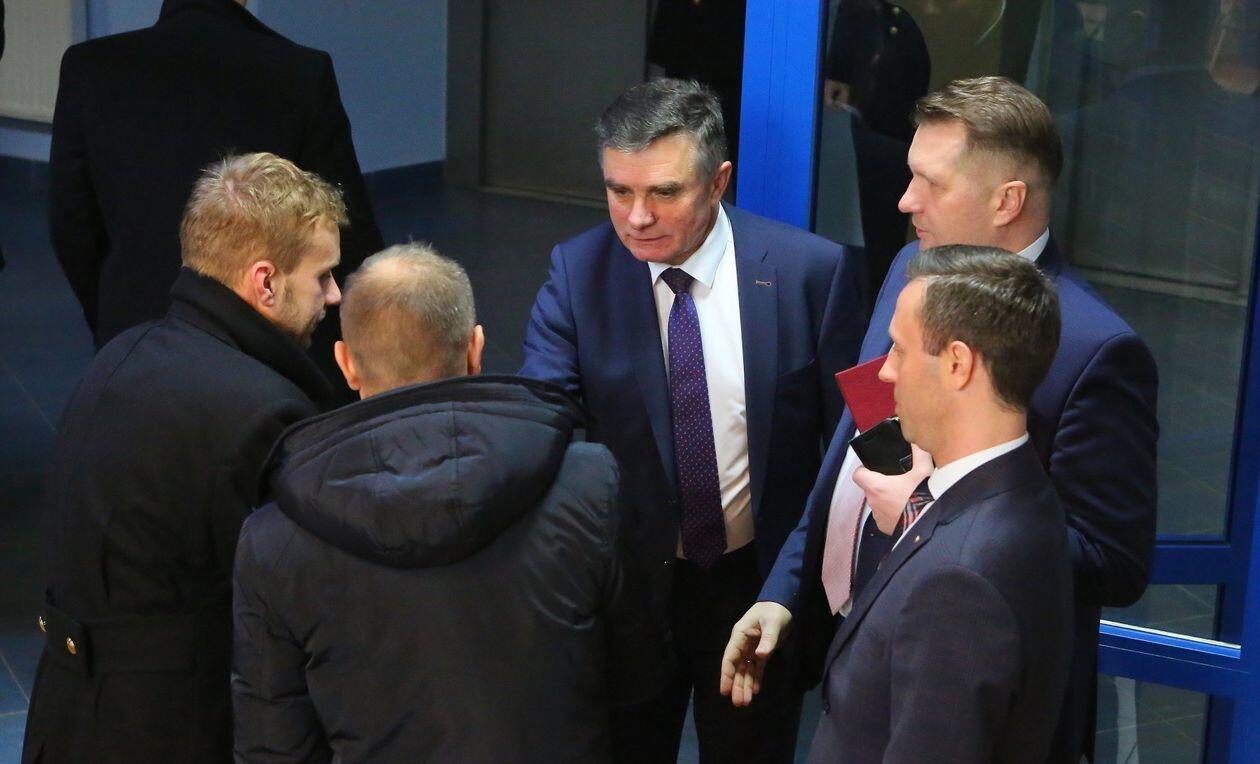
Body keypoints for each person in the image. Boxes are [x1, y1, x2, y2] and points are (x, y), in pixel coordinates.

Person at [727, 76, 1159, 763]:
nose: (905, 201)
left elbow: (1116, 562)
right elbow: (859, 445)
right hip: (860, 663)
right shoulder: (912, 270)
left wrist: (927, 512)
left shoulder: (1093, 347)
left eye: (931, 183)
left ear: (1007, 201)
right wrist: (784, 590)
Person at [521, 78, 866, 762]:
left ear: (718, 182)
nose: (636, 217)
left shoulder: (810, 273)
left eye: (664, 192)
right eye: (619, 190)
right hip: (632, 590)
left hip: (758, 583)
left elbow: (854, 444)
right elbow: (540, 422)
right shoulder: (579, 273)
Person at [232, 244, 659, 762]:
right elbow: (637, 684)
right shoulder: (589, 484)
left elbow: (274, 744)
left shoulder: (274, 541)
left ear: (347, 364)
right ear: (475, 348)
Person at [22, 153, 345, 763]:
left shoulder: (120, 358)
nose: (334, 294)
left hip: (63, 718)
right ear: (265, 282)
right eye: (323, 275)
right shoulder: (265, 413)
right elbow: (287, 621)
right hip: (174, 732)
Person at [806, 245, 1073, 761]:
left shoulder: (959, 582)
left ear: (957, 364)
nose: (885, 373)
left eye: (900, 350)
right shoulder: (1020, 490)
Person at [49, 0, 381, 400]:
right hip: (265, 351)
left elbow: (72, 226)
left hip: (135, 335)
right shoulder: (299, 71)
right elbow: (347, 231)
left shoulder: (89, 68)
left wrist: (112, 314)